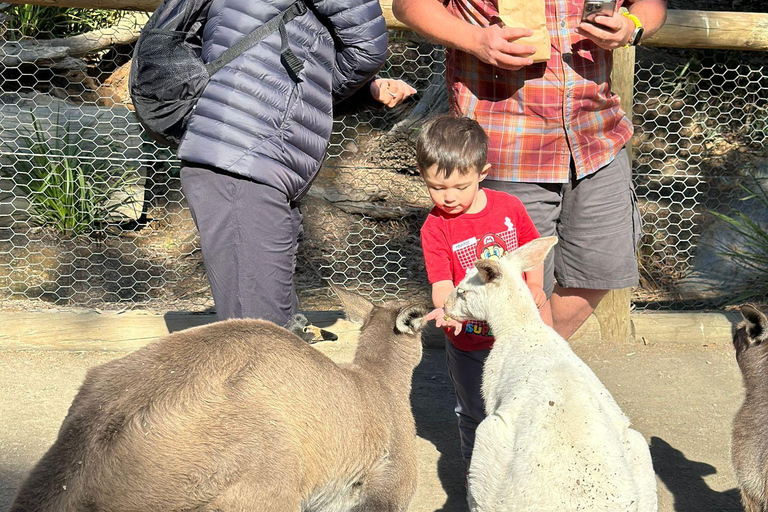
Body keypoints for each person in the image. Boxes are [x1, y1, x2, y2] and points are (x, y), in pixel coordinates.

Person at [393, 0, 668, 340]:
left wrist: (632, 25)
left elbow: (650, 5)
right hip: (508, 146)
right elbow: (408, 5)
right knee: (510, 289)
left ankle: (533, 366)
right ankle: (514, 379)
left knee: (600, 271)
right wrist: (475, 39)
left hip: (597, 138)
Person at [176, 0, 416, 325]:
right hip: (249, 160)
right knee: (259, 334)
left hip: (225, 150)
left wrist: (344, 89)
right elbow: (368, 47)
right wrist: (323, 90)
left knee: (255, 323)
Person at [418, 115, 546, 466]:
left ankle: (523, 466)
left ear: (482, 173)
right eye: (436, 187)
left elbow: (530, 251)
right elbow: (442, 281)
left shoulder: (509, 208)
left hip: (516, 334)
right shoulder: (435, 228)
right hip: (471, 341)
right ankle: (479, 472)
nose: (448, 197)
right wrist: (447, 310)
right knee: (476, 409)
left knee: (525, 402)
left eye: (460, 187)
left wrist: (535, 285)